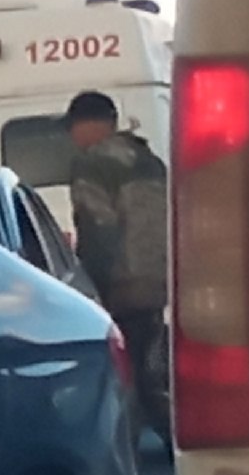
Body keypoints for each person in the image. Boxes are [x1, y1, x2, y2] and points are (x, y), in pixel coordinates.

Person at [65, 90, 171, 448]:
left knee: (127, 384)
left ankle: (127, 474)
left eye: (73, 127)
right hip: (159, 283)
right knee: (150, 377)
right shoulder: (148, 160)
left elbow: (99, 229)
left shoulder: (92, 164)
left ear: (89, 125)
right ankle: (179, 451)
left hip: (121, 287)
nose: (72, 137)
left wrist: (92, 289)